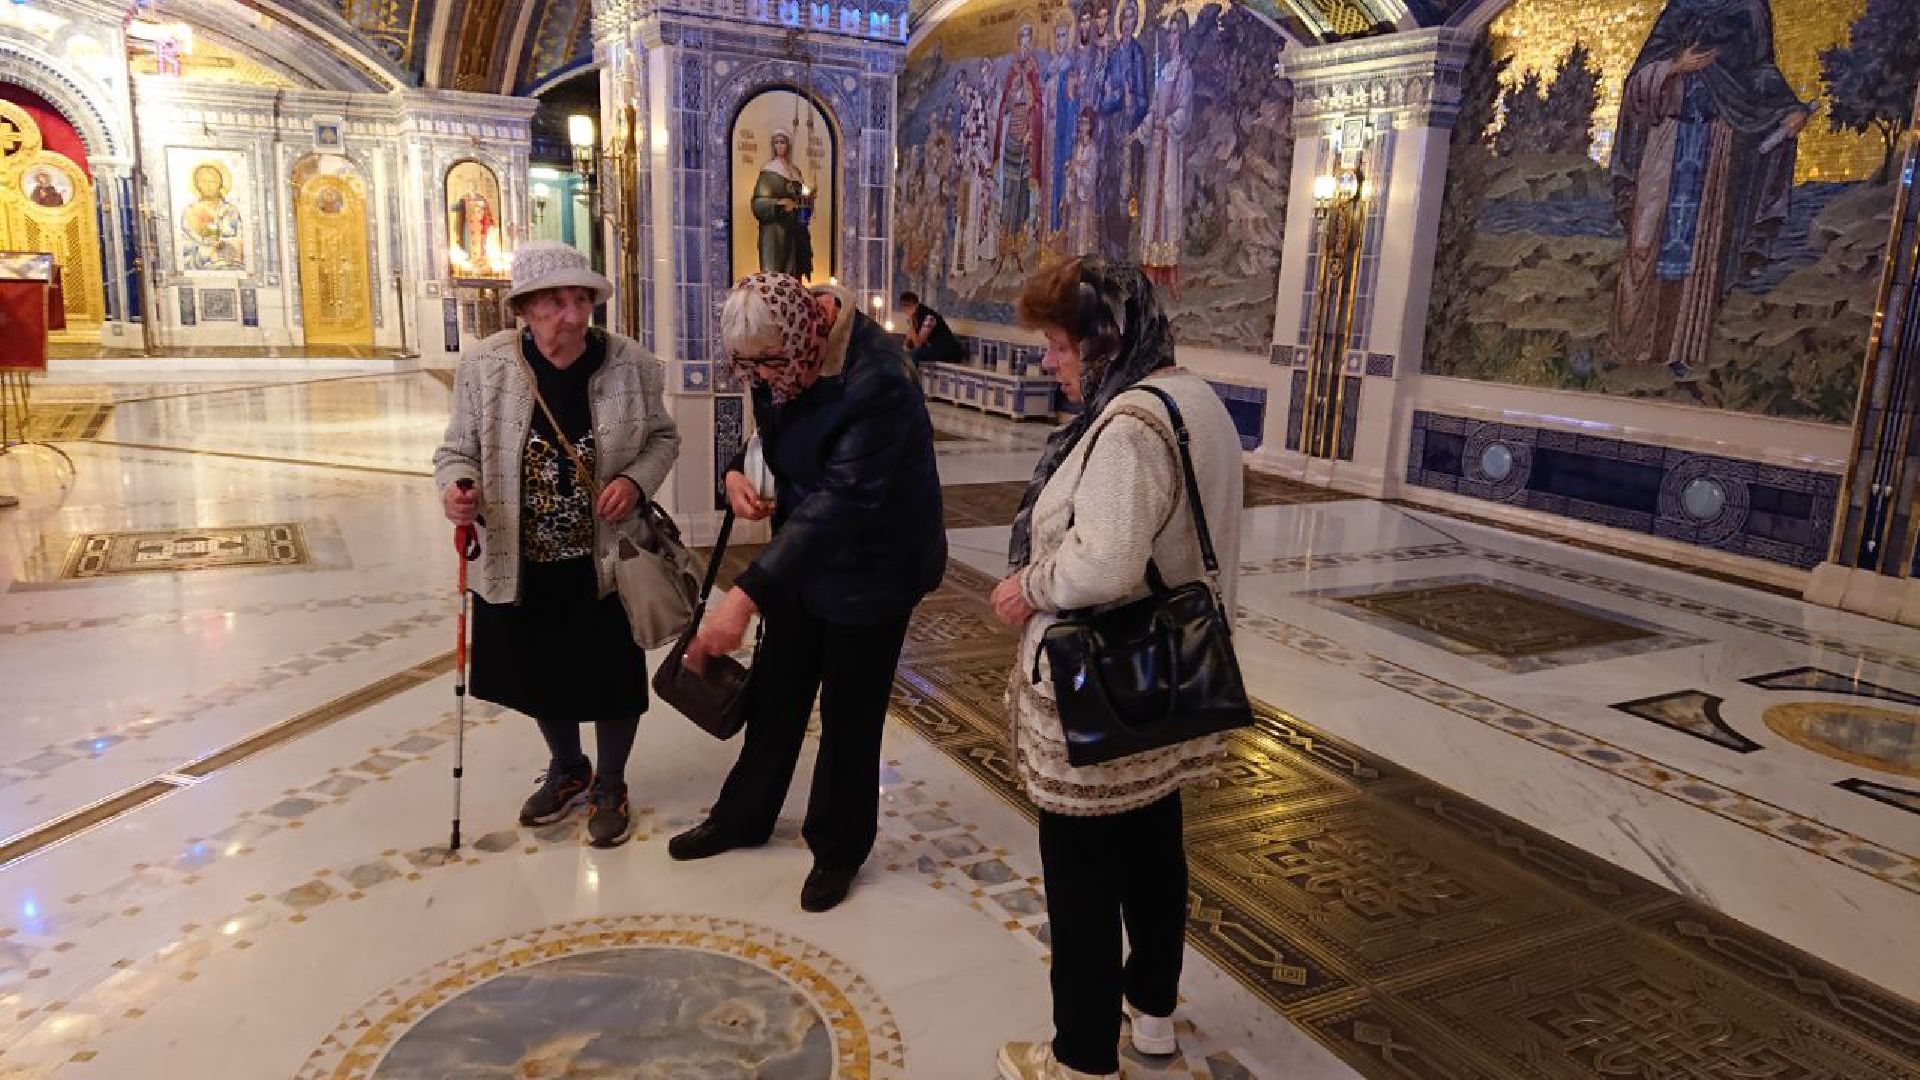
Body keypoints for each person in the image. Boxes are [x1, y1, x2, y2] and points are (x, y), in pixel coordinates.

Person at [989, 258, 1243, 1080]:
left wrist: (1027, 586)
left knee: (1084, 880)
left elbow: (1102, 565)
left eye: (1059, 346)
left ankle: (1082, 1058)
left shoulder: (1131, 425)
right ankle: (1155, 1015)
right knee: (1154, 851)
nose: (1049, 362)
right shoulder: (1196, 400)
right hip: (1166, 682)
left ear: (1105, 341)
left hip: (1104, 687)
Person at [669, 272, 946, 913]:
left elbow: (846, 501)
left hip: (876, 561)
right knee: (776, 691)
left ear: (804, 336)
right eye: (749, 367)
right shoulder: (786, 354)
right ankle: (744, 815)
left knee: (850, 713)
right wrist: (737, 471)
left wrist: (745, 595)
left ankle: (838, 846)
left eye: (768, 364)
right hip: (805, 555)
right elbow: (773, 427)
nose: (763, 378)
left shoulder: (880, 377)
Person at [433, 241, 681, 849]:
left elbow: (663, 439)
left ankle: (611, 783)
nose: (570, 317)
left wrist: (633, 481)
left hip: (606, 557)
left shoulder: (633, 365)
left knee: (613, 673)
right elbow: (456, 450)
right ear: (524, 309)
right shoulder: (486, 367)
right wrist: (457, 490)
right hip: (523, 555)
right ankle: (569, 768)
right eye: (553, 304)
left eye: (579, 302)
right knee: (542, 670)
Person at [1608, 0, 1808, 380]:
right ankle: (1629, 342)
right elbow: (1637, 81)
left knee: (1701, 249)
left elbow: (1759, 71)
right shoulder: (1681, 6)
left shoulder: (1750, 9)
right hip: (1666, 138)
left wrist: (1788, 109)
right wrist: (1673, 67)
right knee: (1646, 239)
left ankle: (1681, 348)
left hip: (1717, 143)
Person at [1137, 11, 1194, 296]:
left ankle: (1170, 272)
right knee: (1152, 204)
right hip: (1157, 145)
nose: (1172, 37)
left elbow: (1184, 110)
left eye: (1175, 32)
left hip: (1170, 146)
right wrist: (1142, 130)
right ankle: (1149, 270)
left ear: (1182, 35)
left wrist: (1167, 123)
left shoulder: (1184, 72)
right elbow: (1152, 109)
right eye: (1169, 32)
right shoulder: (1163, 72)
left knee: (1169, 202)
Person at [751, 131, 815, 279]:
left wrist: (807, 202)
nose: (780, 146)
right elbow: (758, 204)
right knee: (776, 278)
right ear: (772, 145)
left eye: (783, 142)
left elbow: (802, 199)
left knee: (794, 277)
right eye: (777, 142)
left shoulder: (795, 171)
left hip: (795, 232)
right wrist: (779, 204)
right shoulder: (769, 171)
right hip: (775, 234)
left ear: (789, 145)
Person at [898, 290, 965, 368]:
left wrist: (911, 324)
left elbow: (918, 344)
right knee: (903, 353)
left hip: (945, 351)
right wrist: (903, 349)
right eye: (903, 306)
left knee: (916, 353)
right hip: (932, 347)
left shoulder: (929, 317)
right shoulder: (914, 317)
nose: (905, 309)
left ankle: (911, 379)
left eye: (908, 306)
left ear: (916, 305)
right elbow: (909, 341)